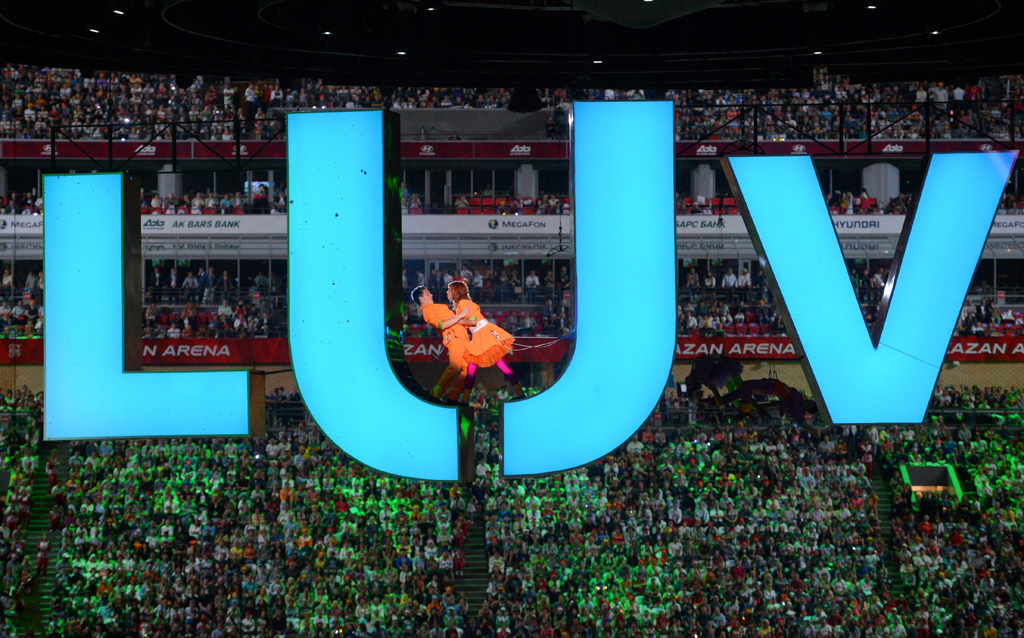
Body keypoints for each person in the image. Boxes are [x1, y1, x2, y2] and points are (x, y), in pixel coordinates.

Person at [446, 281, 523, 398]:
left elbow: (473, 321)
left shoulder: (463, 303)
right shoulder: (463, 303)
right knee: (481, 368)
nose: (447, 292)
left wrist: (455, 320)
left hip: (483, 334)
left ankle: (466, 399)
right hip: (480, 334)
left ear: (456, 292)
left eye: (449, 290)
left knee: (476, 369)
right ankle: (519, 391)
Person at [412, 286, 471, 402]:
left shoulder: (437, 307)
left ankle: (453, 397)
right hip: (454, 338)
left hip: (462, 337)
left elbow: (457, 320)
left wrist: (475, 322)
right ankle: (435, 395)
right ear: (421, 298)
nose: (431, 295)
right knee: (455, 368)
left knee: (469, 370)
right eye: (428, 293)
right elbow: (442, 325)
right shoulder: (427, 311)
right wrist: (460, 315)